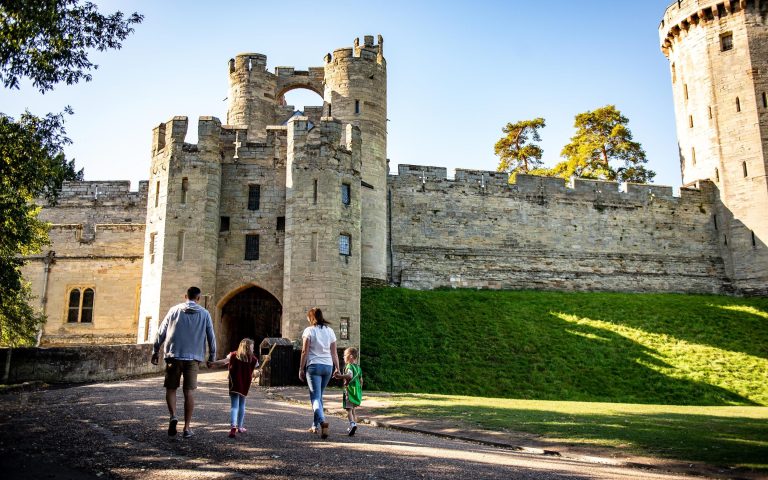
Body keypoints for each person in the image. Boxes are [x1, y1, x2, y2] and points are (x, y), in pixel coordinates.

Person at [151, 286, 216, 439]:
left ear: (185, 296)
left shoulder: (174, 310)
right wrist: (212, 357)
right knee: (189, 392)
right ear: (198, 298)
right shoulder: (205, 313)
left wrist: (155, 350)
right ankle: (186, 428)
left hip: (174, 355)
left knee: (171, 388)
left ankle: (173, 415)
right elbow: (211, 337)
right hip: (193, 358)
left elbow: (161, 331)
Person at [298, 307, 340, 439]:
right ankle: (314, 426)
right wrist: (337, 368)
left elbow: (305, 351)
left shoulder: (309, 331)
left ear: (311, 317)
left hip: (314, 366)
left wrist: (301, 368)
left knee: (315, 398)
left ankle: (322, 422)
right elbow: (334, 352)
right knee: (319, 396)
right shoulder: (330, 331)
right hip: (328, 366)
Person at [210, 338, 259, 439]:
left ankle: (233, 427)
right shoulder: (253, 359)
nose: (253, 349)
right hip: (245, 385)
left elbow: (223, 362)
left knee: (234, 406)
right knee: (242, 405)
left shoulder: (233, 355)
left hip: (234, 384)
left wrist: (213, 363)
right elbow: (254, 372)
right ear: (248, 347)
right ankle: (240, 427)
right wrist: (257, 374)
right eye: (252, 347)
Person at [334, 347, 363, 436]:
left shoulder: (349, 366)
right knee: (353, 410)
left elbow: (349, 376)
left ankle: (352, 424)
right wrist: (359, 390)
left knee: (348, 410)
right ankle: (354, 425)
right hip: (356, 392)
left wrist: (339, 376)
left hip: (349, 391)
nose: (343, 357)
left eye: (344, 355)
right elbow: (361, 381)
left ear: (350, 356)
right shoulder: (358, 368)